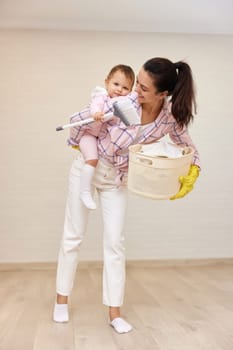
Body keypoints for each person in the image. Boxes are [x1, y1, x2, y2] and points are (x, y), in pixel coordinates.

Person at [53, 57, 200, 334]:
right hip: (89, 170)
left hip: (117, 180)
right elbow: (80, 121)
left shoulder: (169, 119)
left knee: (115, 243)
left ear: (162, 94)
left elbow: (190, 149)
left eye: (143, 88)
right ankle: (61, 299)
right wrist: (95, 112)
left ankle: (115, 312)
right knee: (73, 235)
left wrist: (192, 172)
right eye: (137, 84)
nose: (135, 91)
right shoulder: (120, 103)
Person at [78, 64, 135, 210]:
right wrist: (96, 112)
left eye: (125, 88)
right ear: (107, 82)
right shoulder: (101, 96)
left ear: (130, 91)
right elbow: (95, 105)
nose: (119, 90)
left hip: (101, 141)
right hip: (89, 136)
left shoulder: (125, 104)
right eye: (116, 84)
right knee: (92, 160)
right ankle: (85, 192)